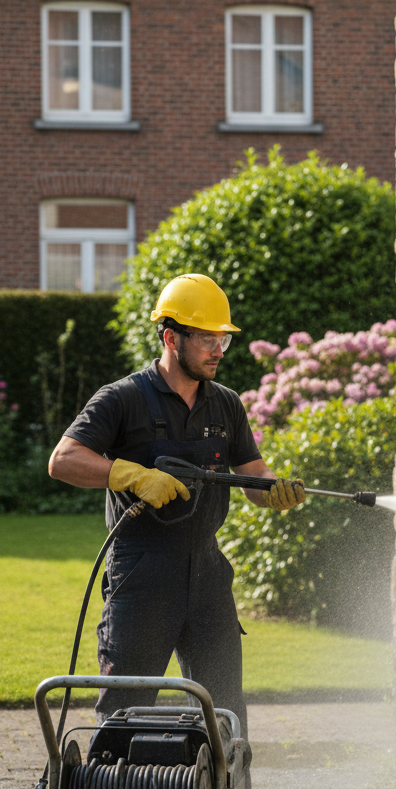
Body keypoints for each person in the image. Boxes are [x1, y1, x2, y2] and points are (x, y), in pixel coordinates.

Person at [48, 272, 304, 734]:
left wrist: (274, 490)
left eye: (222, 340)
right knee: (125, 711)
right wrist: (126, 473)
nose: (218, 351)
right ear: (171, 337)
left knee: (225, 713)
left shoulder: (226, 405)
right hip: (142, 575)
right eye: (207, 339)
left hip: (208, 574)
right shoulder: (123, 399)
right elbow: (63, 460)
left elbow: (252, 477)